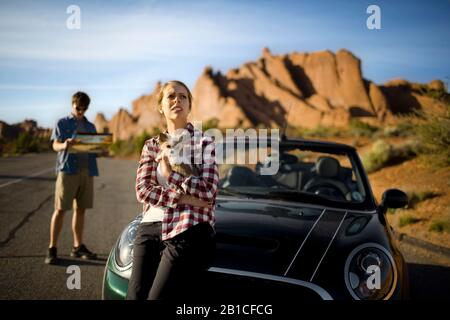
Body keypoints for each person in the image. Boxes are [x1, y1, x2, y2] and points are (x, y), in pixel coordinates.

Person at [126, 80, 219, 300]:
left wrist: (170, 175)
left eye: (183, 96)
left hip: (188, 226)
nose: (177, 100)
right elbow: (142, 190)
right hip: (149, 227)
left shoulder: (204, 143)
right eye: (170, 96)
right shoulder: (151, 145)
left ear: (189, 105)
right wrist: (184, 197)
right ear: (161, 106)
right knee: (134, 296)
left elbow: (208, 193)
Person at [45, 92, 98, 264]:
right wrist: (64, 145)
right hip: (68, 170)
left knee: (81, 209)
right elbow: (54, 145)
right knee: (60, 209)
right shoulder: (62, 123)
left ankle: (77, 247)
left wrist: (101, 148)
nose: (81, 111)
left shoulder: (90, 126)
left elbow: (94, 149)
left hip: (87, 171)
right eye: (78, 107)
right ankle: (52, 248)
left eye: (84, 108)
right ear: (72, 104)